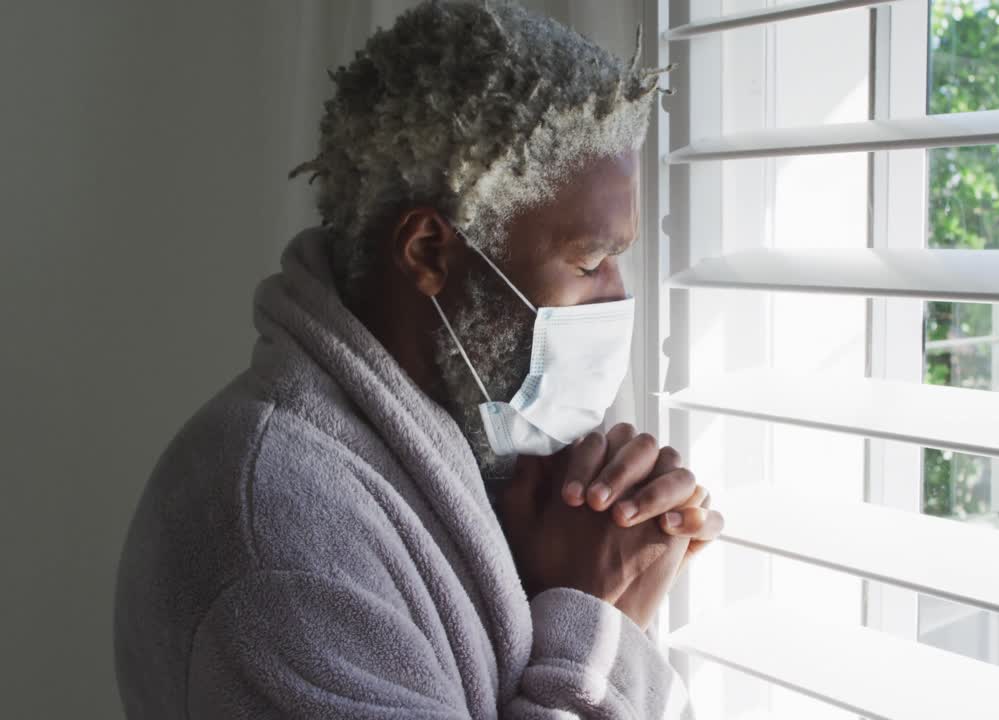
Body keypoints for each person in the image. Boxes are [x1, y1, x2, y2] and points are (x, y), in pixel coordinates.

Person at [113, 2, 722, 718]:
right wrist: (598, 621)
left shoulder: (472, 449)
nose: (618, 299)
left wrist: (557, 569)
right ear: (429, 252)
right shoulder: (276, 542)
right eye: (590, 261)